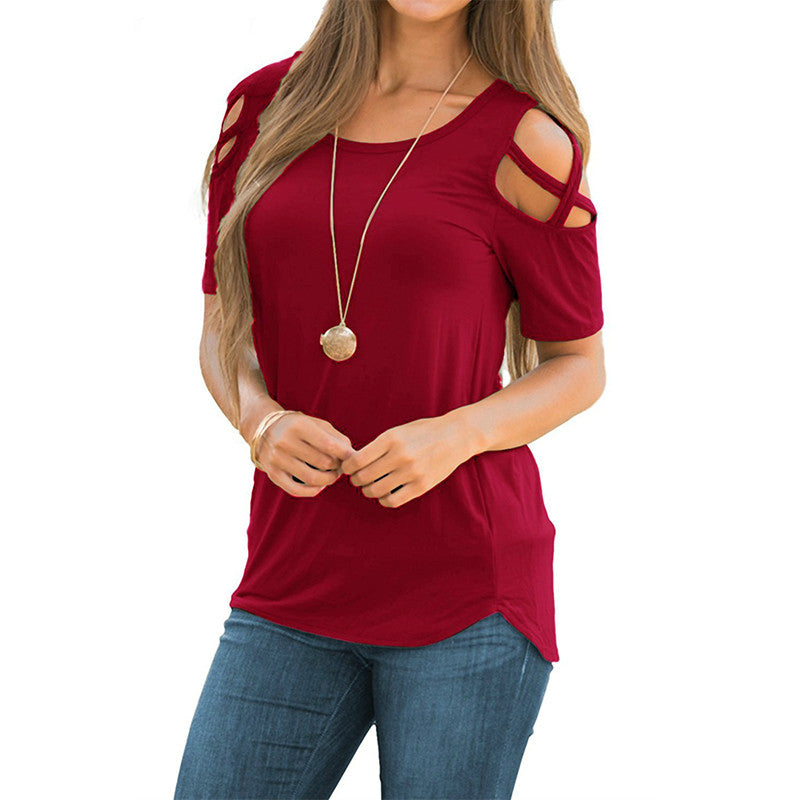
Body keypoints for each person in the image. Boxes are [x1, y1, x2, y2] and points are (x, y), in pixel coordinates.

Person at [174, 0, 606, 797]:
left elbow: (579, 366)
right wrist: (259, 420)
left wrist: (456, 435)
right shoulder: (263, 109)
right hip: (292, 578)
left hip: (468, 595)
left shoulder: (526, 141)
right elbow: (221, 330)